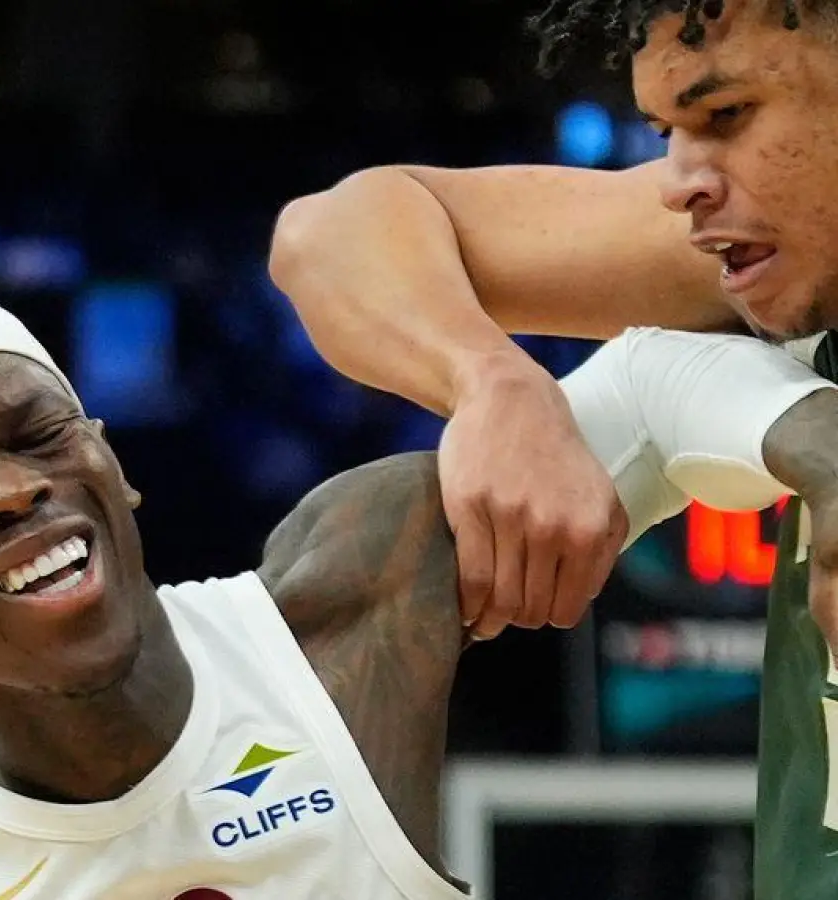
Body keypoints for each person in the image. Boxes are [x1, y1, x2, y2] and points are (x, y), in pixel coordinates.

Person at [0, 285, 838, 899]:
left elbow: (654, 391)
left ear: (112, 460)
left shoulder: (341, 618)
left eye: (40, 435)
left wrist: (828, 461)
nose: (11, 492)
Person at [267, 1, 838, 895]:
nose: (678, 183)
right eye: (669, 131)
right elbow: (326, 236)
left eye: (726, 115)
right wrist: (493, 382)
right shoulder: (763, 245)